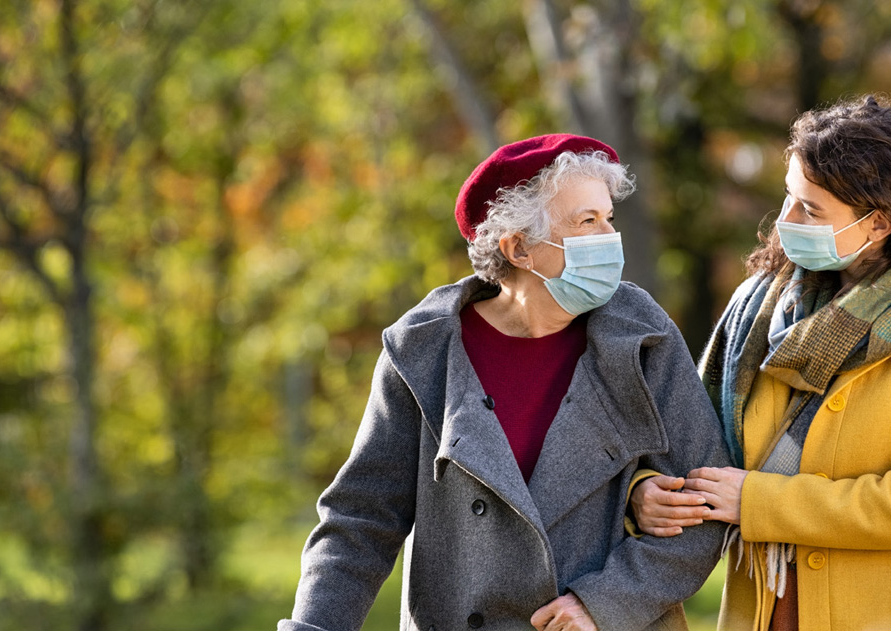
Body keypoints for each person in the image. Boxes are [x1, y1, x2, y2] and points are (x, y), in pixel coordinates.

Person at [279, 134, 730, 631]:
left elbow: (704, 501)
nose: (608, 236)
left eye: (609, 218)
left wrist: (606, 603)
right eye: (587, 221)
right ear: (519, 248)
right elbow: (361, 522)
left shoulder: (642, 332)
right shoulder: (423, 350)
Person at [630, 95, 891, 631]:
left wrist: (758, 501)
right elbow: (684, 443)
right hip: (768, 611)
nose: (786, 221)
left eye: (811, 210)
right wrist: (647, 492)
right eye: (789, 199)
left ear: (878, 224)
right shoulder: (759, 310)